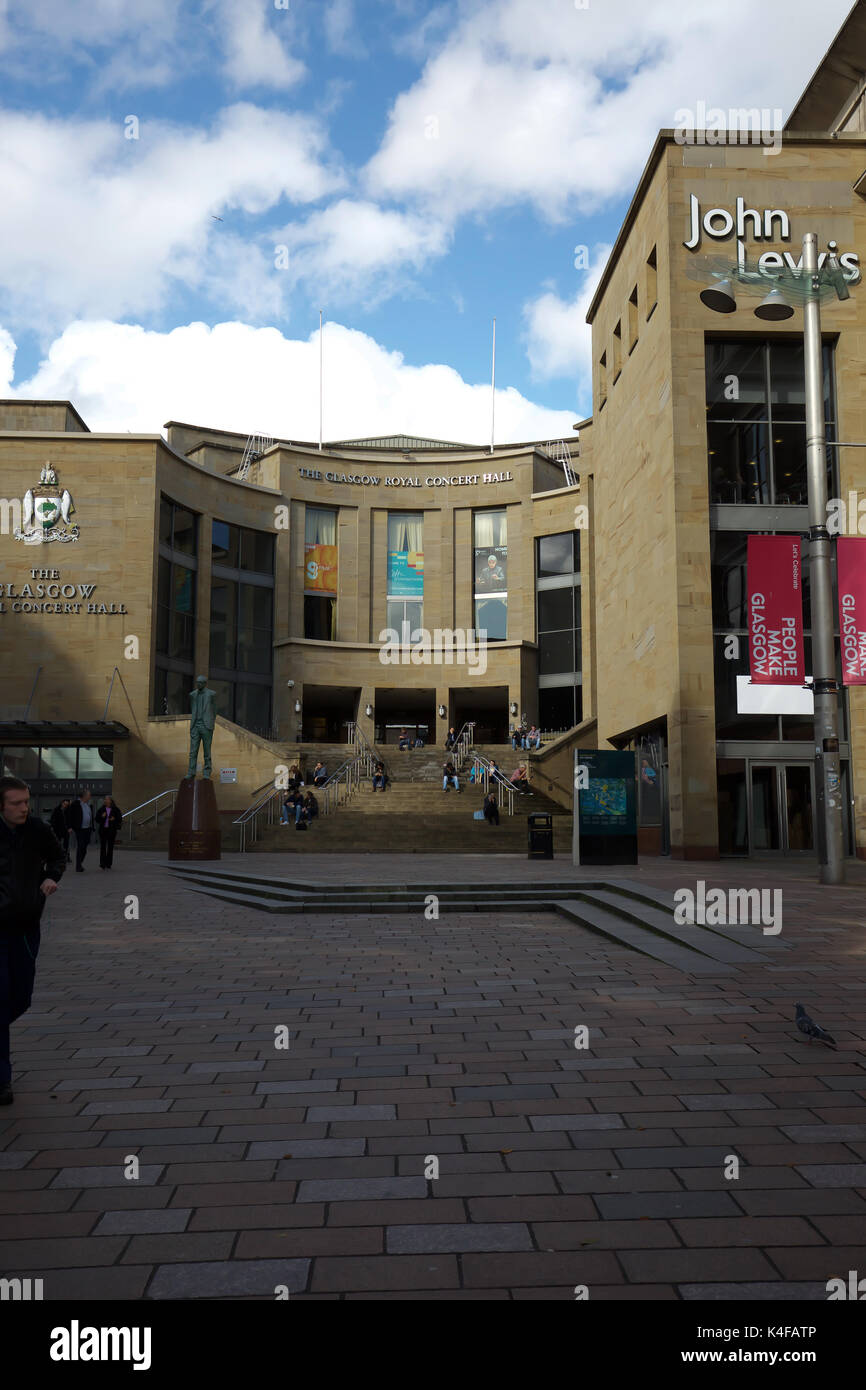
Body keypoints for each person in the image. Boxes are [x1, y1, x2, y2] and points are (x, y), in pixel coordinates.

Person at [0, 776, 65, 1105]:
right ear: (1, 805)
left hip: (26, 927)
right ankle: (2, 1080)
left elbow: (58, 857)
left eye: (26, 801)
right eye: (16, 803)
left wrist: (51, 877)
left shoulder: (37, 829)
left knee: (21, 998)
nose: (24, 807)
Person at [66, 789, 94, 871]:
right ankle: (78, 866)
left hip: (87, 829)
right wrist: (69, 827)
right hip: (79, 829)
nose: (90, 796)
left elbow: (89, 816)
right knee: (80, 846)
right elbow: (69, 816)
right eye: (89, 795)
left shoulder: (88, 805)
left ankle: (80, 863)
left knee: (84, 848)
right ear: (84, 796)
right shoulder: (75, 804)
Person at [95, 796, 123, 870]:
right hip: (103, 831)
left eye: (107, 799)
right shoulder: (101, 809)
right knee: (103, 847)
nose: (105, 800)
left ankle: (109, 863)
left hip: (112, 831)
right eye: (105, 799)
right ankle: (102, 863)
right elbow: (97, 819)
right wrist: (102, 816)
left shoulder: (115, 809)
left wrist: (114, 819)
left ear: (110, 801)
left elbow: (120, 819)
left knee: (110, 847)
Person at [50, 799, 72, 864]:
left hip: (66, 830)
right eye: (64, 804)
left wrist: (70, 827)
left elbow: (70, 819)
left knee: (66, 845)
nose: (65, 806)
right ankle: (58, 857)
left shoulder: (68, 810)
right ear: (62, 803)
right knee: (58, 844)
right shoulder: (56, 810)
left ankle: (66, 857)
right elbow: (53, 820)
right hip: (58, 830)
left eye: (67, 805)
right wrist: (54, 828)